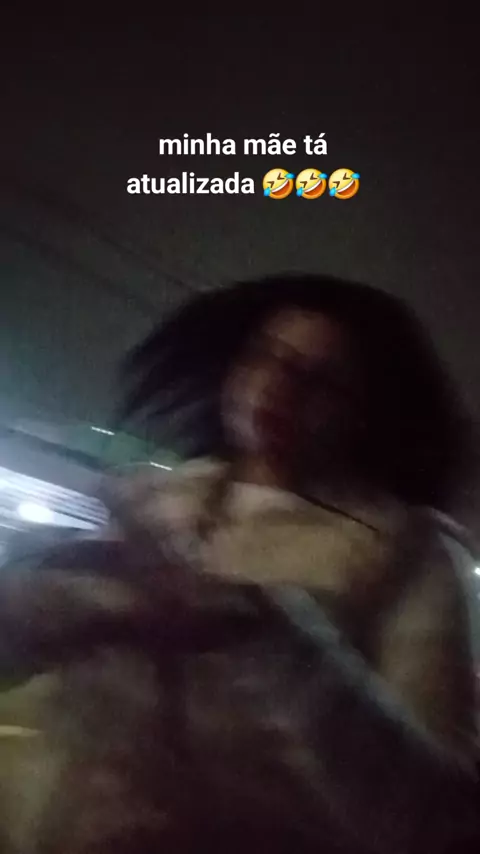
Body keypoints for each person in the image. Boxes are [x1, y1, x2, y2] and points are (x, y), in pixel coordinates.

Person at [0, 272, 478, 853]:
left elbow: (434, 817)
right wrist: (52, 601)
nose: (277, 385)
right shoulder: (155, 501)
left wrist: (266, 631)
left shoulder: (408, 554)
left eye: (319, 380)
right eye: (266, 355)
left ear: (364, 412)